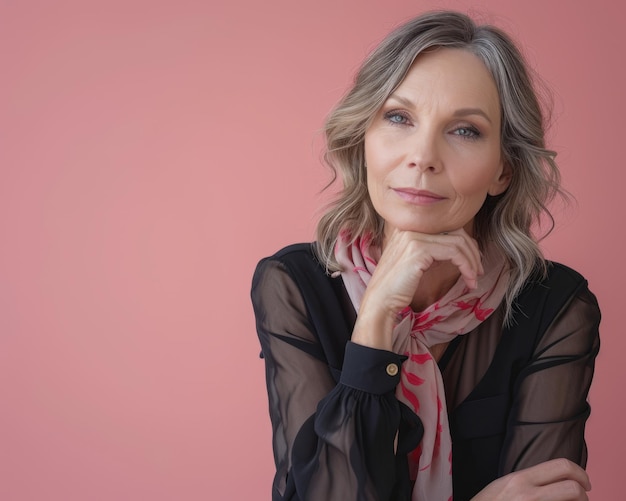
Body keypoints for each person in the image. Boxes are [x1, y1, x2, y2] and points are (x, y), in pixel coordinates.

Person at [251, 10, 600, 501]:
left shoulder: (555, 307)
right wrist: (373, 324)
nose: (423, 155)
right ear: (364, 139)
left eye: (465, 131)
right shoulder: (293, 286)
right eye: (399, 118)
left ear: (503, 170)